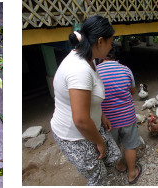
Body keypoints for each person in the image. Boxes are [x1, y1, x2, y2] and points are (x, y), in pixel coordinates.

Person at [50, 15, 121, 186]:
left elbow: (90, 97)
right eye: (110, 42)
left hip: (91, 125)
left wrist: (101, 115)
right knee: (97, 177)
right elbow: (80, 120)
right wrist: (99, 142)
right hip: (74, 135)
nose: (111, 47)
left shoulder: (89, 58)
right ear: (100, 41)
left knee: (114, 156)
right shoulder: (79, 70)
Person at [96, 46, 143, 184]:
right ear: (116, 56)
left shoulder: (95, 72)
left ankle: (120, 165)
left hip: (107, 120)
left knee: (113, 145)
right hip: (127, 116)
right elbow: (132, 90)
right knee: (130, 145)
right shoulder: (125, 70)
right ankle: (132, 173)